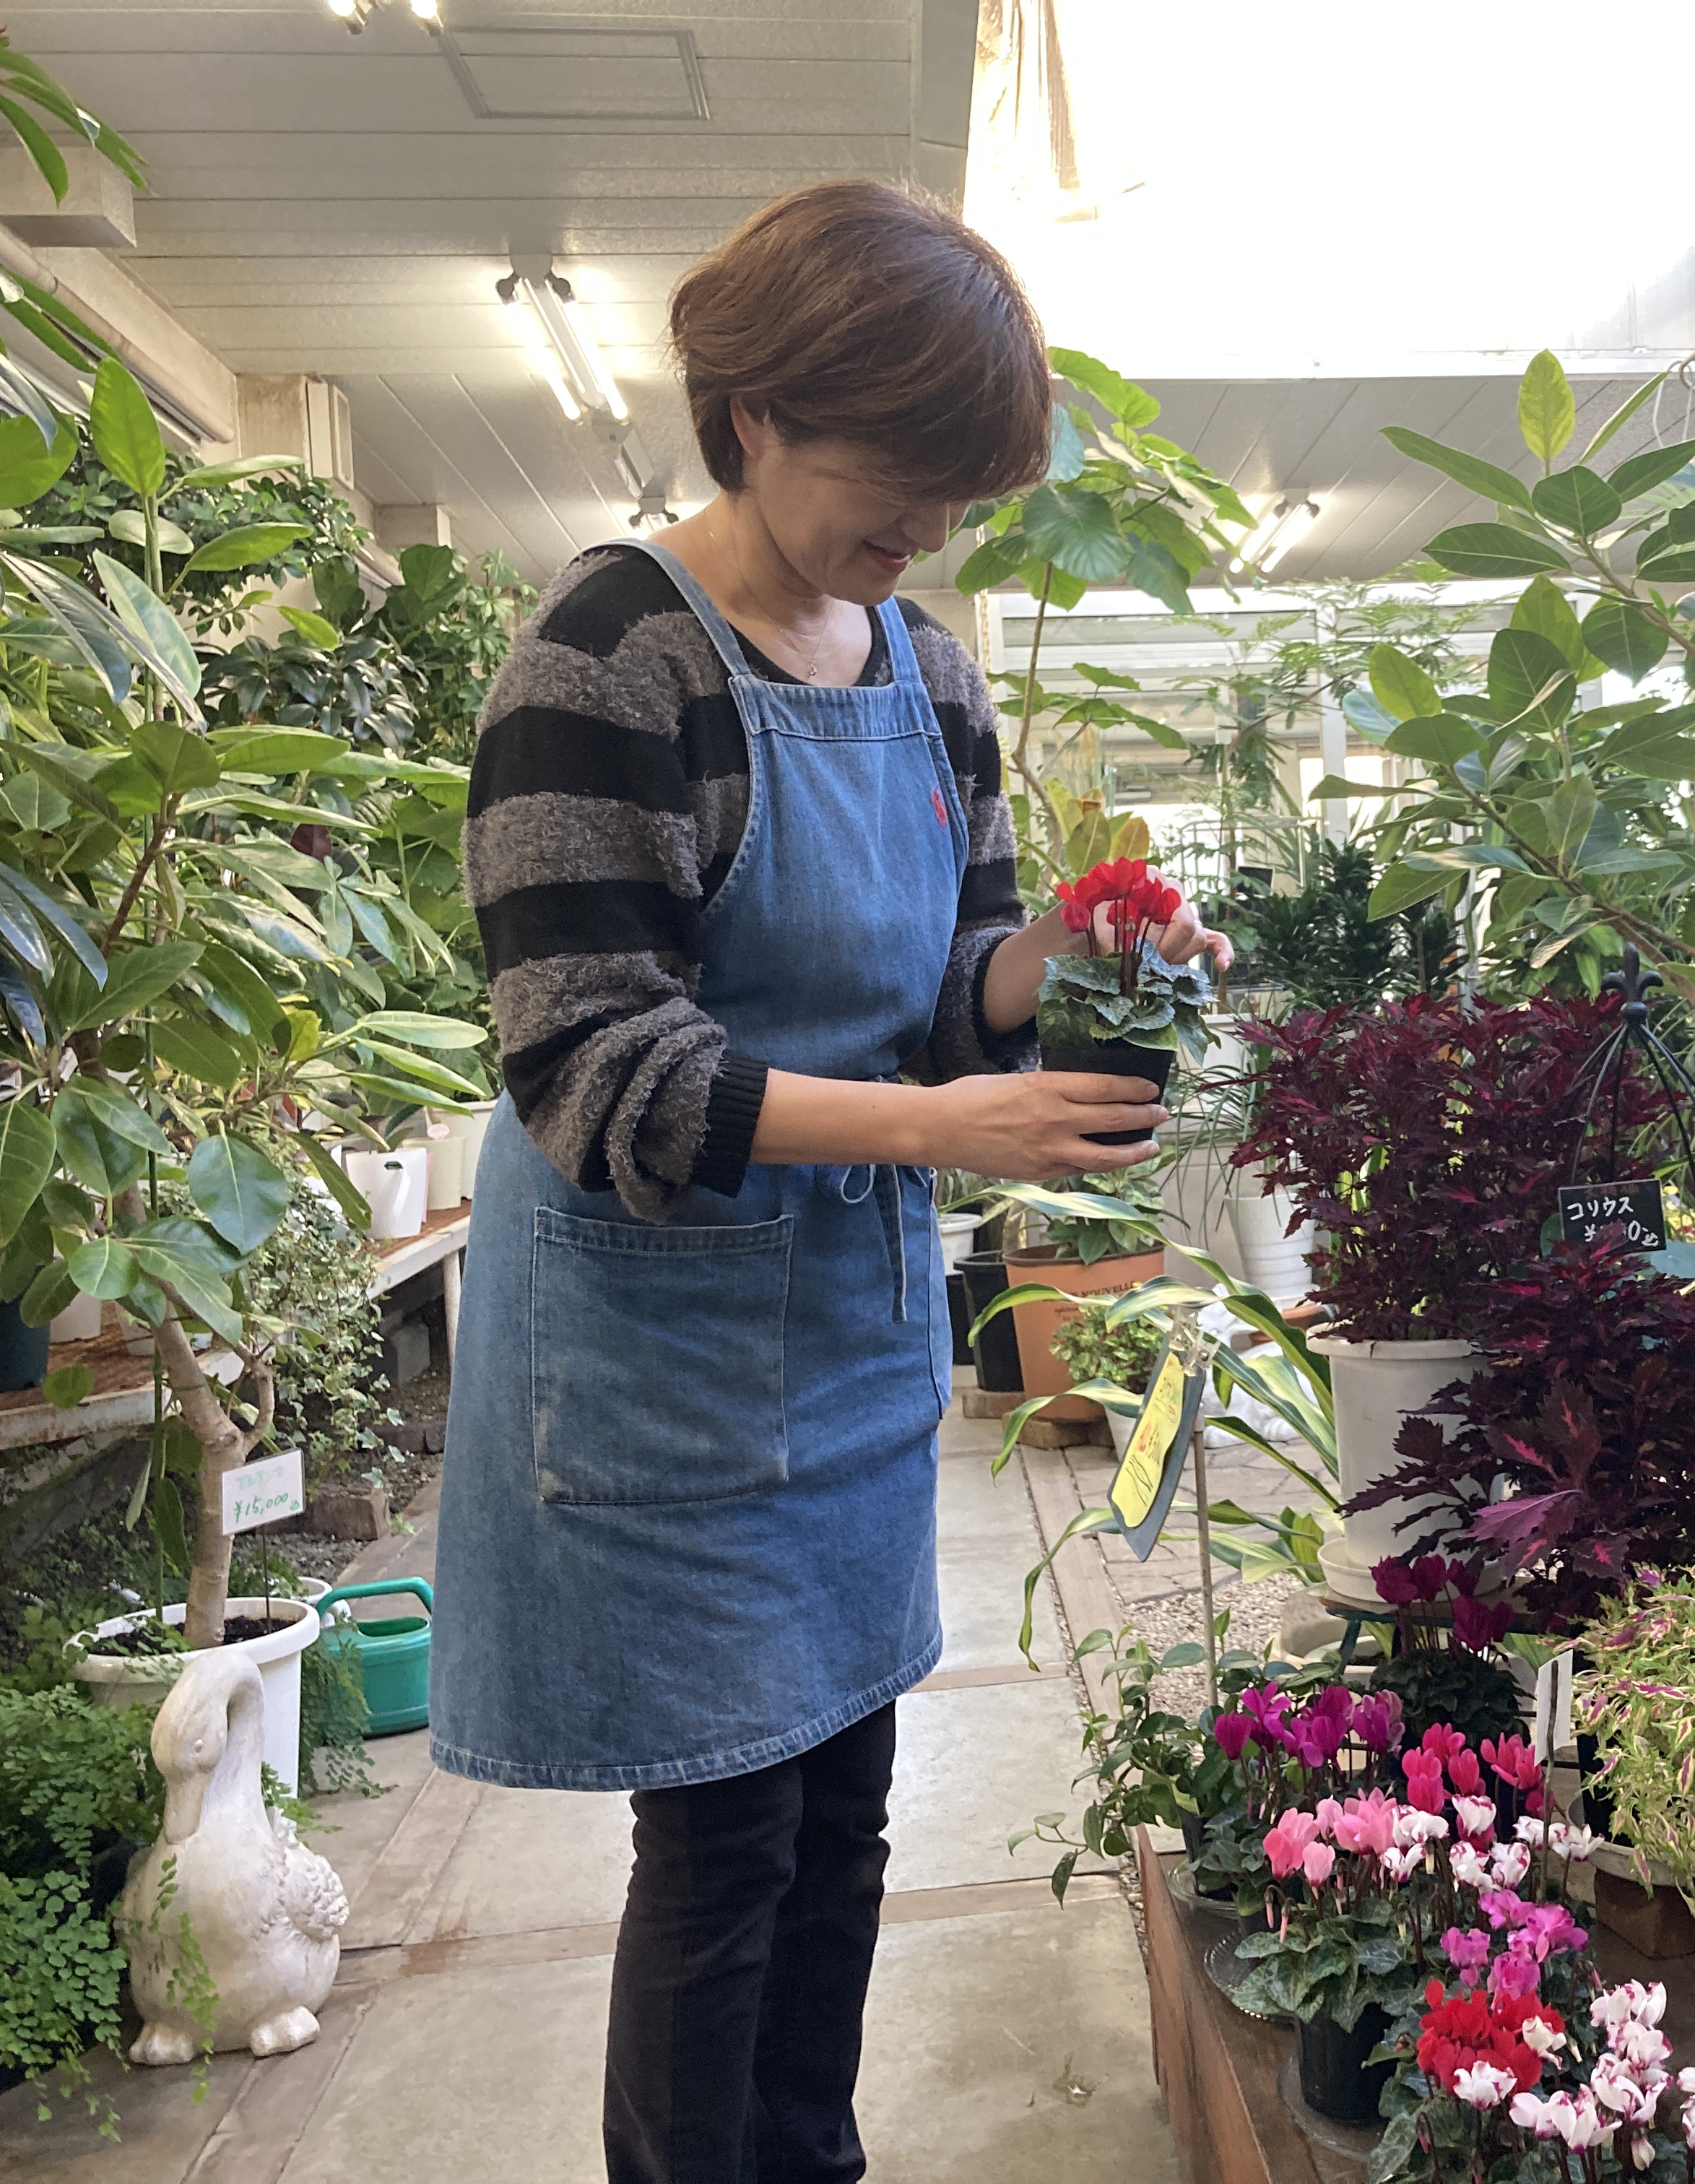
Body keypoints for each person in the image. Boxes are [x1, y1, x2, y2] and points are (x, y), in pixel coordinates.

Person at [432, 178, 1228, 2184]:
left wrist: (1066, 959)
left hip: (845, 1342)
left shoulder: (927, 672)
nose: (927, 529)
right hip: (659, 1351)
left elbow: (948, 996)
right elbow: (591, 1067)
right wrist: (946, 1132)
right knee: (726, 1839)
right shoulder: (610, 656)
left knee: (847, 1817)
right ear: (760, 413)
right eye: (901, 476)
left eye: (960, 493)